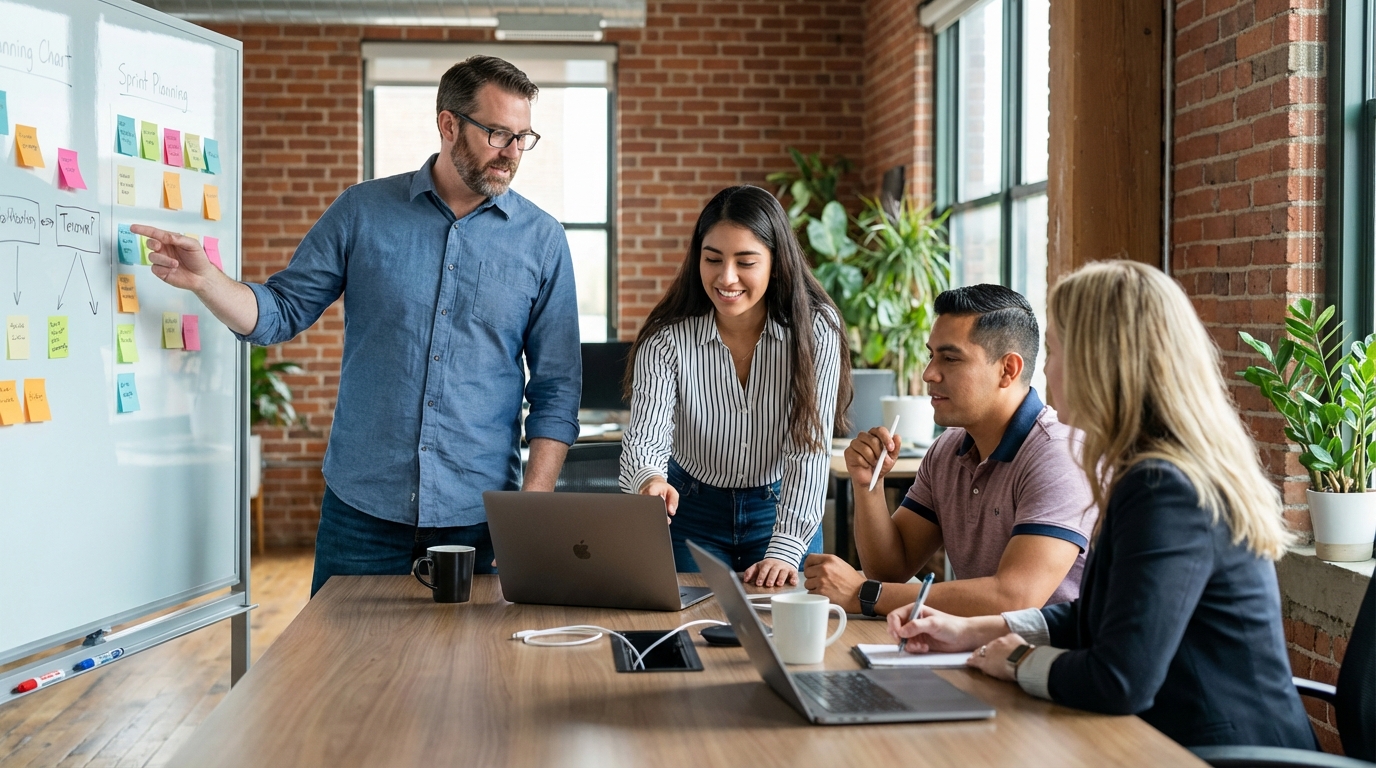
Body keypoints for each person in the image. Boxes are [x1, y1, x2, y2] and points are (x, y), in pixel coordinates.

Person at [132, 56, 582, 597]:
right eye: (496, 134)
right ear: (448, 125)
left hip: (481, 522)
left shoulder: (543, 241)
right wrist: (207, 281)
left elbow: (557, 388)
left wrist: (529, 514)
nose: (511, 153)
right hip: (362, 514)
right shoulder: (363, 212)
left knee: (474, 680)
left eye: (522, 137)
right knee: (341, 674)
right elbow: (280, 312)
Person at [889, 261, 1314, 750]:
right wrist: (974, 630)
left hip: (1219, 751)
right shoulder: (1147, 471)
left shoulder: (1166, 489)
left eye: (1057, 350)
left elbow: (1120, 680)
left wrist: (1016, 661)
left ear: (1103, 362)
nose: (1046, 369)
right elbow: (1097, 615)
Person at [804, 285, 1098, 617]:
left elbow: (1014, 599)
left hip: (1046, 660)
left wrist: (864, 594)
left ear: (1008, 370)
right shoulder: (947, 449)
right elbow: (891, 570)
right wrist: (868, 486)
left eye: (950, 358)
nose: (929, 373)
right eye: (932, 355)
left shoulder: (1058, 457)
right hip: (973, 650)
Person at [618, 185, 853, 588]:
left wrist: (785, 547)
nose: (726, 278)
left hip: (782, 511)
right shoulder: (666, 340)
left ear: (776, 264)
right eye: (713, 259)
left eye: (746, 262)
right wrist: (650, 480)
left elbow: (809, 447)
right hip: (688, 511)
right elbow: (646, 437)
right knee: (676, 630)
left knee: (790, 637)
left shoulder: (816, 329)